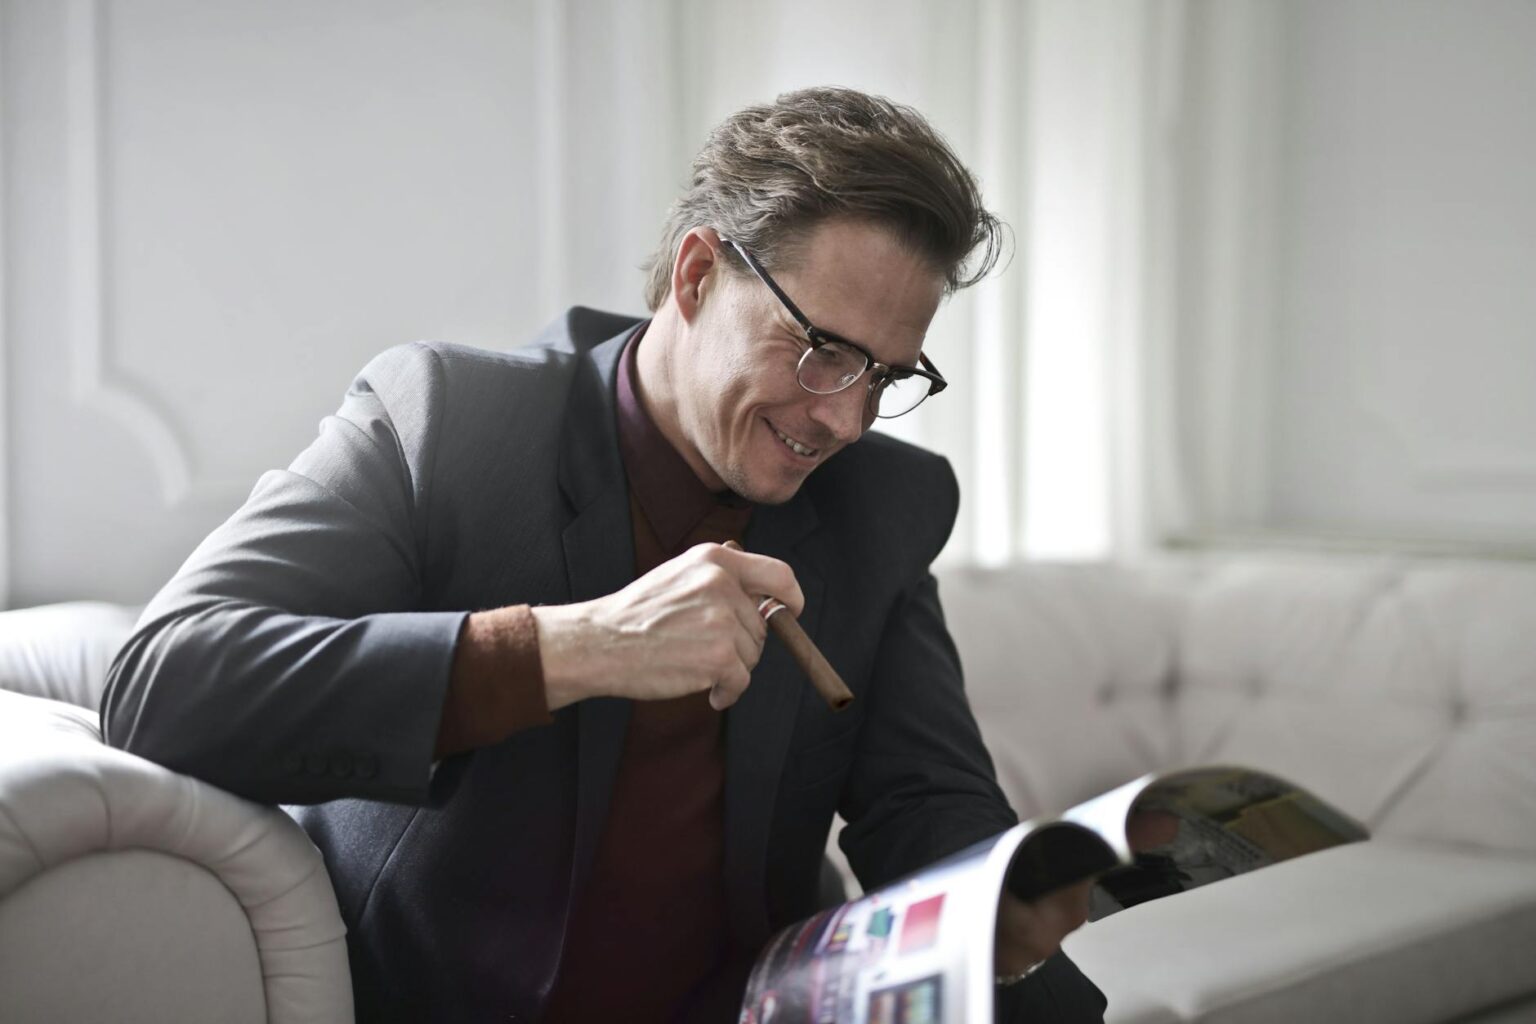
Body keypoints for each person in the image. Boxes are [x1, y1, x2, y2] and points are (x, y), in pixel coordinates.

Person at [101, 87, 1107, 1022]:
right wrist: (576, 647)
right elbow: (163, 682)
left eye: (886, 374)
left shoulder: (880, 501)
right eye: (822, 350)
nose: (845, 417)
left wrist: (1010, 918)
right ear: (699, 272)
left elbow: (924, 802)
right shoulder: (449, 421)